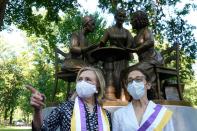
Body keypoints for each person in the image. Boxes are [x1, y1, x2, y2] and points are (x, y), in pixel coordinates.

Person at [27, 66, 111, 131]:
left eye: (88, 79)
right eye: (80, 79)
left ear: (98, 86)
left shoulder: (106, 115)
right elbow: (42, 129)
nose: (82, 82)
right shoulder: (65, 108)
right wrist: (37, 110)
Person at [112, 66, 174, 131]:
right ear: (127, 88)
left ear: (148, 85)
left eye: (138, 79)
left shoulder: (162, 113)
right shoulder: (119, 114)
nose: (134, 84)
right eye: (130, 81)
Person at [100, 8, 134, 98]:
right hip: (112, 58)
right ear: (115, 17)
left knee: (122, 76)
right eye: (119, 16)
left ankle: (123, 97)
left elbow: (130, 45)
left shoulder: (127, 32)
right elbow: (102, 43)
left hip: (123, 58)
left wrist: (125, 46)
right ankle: (111, 95)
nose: (121, 18)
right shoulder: (109, 30)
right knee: (113, 76)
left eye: (123, 16)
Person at [129, 10, 164, 99]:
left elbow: (150, 41)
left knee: (133, 71)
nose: (131, 22)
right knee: (127, 71)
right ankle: (135, 95)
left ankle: (149, 92)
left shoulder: (146, 31)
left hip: (152, 60)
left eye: (133, 20)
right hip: (144, 62)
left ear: (139, 20)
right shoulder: (136, 37)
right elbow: (130, 48)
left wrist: (137, 49)